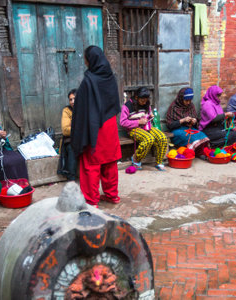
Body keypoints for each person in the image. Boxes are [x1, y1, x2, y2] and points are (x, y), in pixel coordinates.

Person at [71, 45, 122, 208]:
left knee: (91, 162)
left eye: (85, 58)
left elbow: (82, 108)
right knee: (110, 160)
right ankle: (112, 195)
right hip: (110, 124)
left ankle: (91, 201)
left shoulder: (89, 81)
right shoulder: (109, 77)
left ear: (90, 60)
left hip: (95, 127)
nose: (85, 61)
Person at [120, 87, 168, 171]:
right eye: (142, 100)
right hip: (134, 129)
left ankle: (159, 161)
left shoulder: (146, 104)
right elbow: (123, 122)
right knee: (149, 139)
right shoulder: (127, 106)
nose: (144, 102)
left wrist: (150, 116)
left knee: (162, 137)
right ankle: (136, 158)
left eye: (146, 100)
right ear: (136, 97)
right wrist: (138, 122)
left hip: (146, 127)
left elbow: (147, 115)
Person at [166, 87, 210, 155]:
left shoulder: (191, 106)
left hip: (190, 129)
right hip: (177, 130)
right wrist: (182, 120)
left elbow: (196, 121)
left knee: (202, 135)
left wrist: (194, 121)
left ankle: (199, 152)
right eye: (186, 101)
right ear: (181, 99)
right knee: (191, 138)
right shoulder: (174, 107)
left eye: (190, 100)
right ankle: (190, 153)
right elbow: (170, 125)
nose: (188, 103)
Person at [57, 89, 78, 181]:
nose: (72, 101)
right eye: (70, 99)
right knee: (72, 148)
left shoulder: (85, 109)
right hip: (70, 140)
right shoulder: (66, 110)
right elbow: (65, 130)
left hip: (83, 138)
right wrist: (80, 127)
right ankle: (71, 177)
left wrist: (73, 124)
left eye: (75, 99)